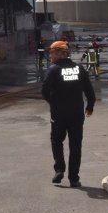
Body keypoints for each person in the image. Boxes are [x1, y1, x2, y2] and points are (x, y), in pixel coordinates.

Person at [41, 40, 95, 187]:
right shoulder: (79, 69)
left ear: (60, 53)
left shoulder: (54, 70)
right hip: (77, 114)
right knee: (75, 146)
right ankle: (74, 178)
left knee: (57, 141)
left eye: (52, 53)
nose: (50, 56)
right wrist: (90, 106)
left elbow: (44, 90)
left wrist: (52, 102)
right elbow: (89, 90)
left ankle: (59, 169)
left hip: (59, 114)